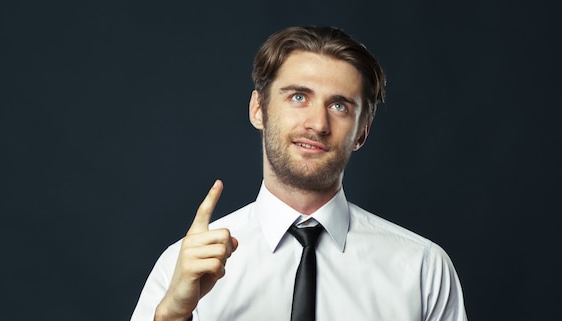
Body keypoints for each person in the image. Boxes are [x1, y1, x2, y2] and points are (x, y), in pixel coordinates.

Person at [130, 26, 467, 321]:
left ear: (362, 131)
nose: (318, 124)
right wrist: (173, 315)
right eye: (298, 97)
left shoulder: (422, 268)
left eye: (339, 106)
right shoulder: (182, 265)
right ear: (258, 109)